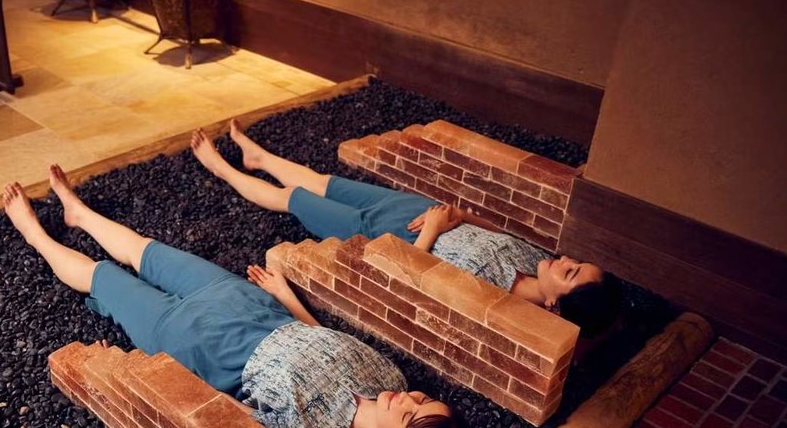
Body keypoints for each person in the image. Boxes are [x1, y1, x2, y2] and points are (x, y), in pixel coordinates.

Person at [1, 166, 463, 428]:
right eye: (423, 399)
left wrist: (119, 372)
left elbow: (213, 418)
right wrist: (285, 296)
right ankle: (80, 215)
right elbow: (322, 337)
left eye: (410, 416)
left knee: (102, 277)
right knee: (148, 251)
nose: (409, 400)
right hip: (247, 303)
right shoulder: (392, 380)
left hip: (197, 342)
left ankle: (34, 234)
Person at [190, 121, 622, 338]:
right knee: (324, 181)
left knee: (293, 200)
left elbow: (416, 282)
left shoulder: (497, 298)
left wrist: (433, 229)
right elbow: (490, 228)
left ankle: (220, 167)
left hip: (387, 234)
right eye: (576, 262)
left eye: (569, 273)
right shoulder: (534, 262)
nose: (565, 260)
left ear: (552, 306)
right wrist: (457, 214)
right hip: (413, 209)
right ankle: (258, 157)